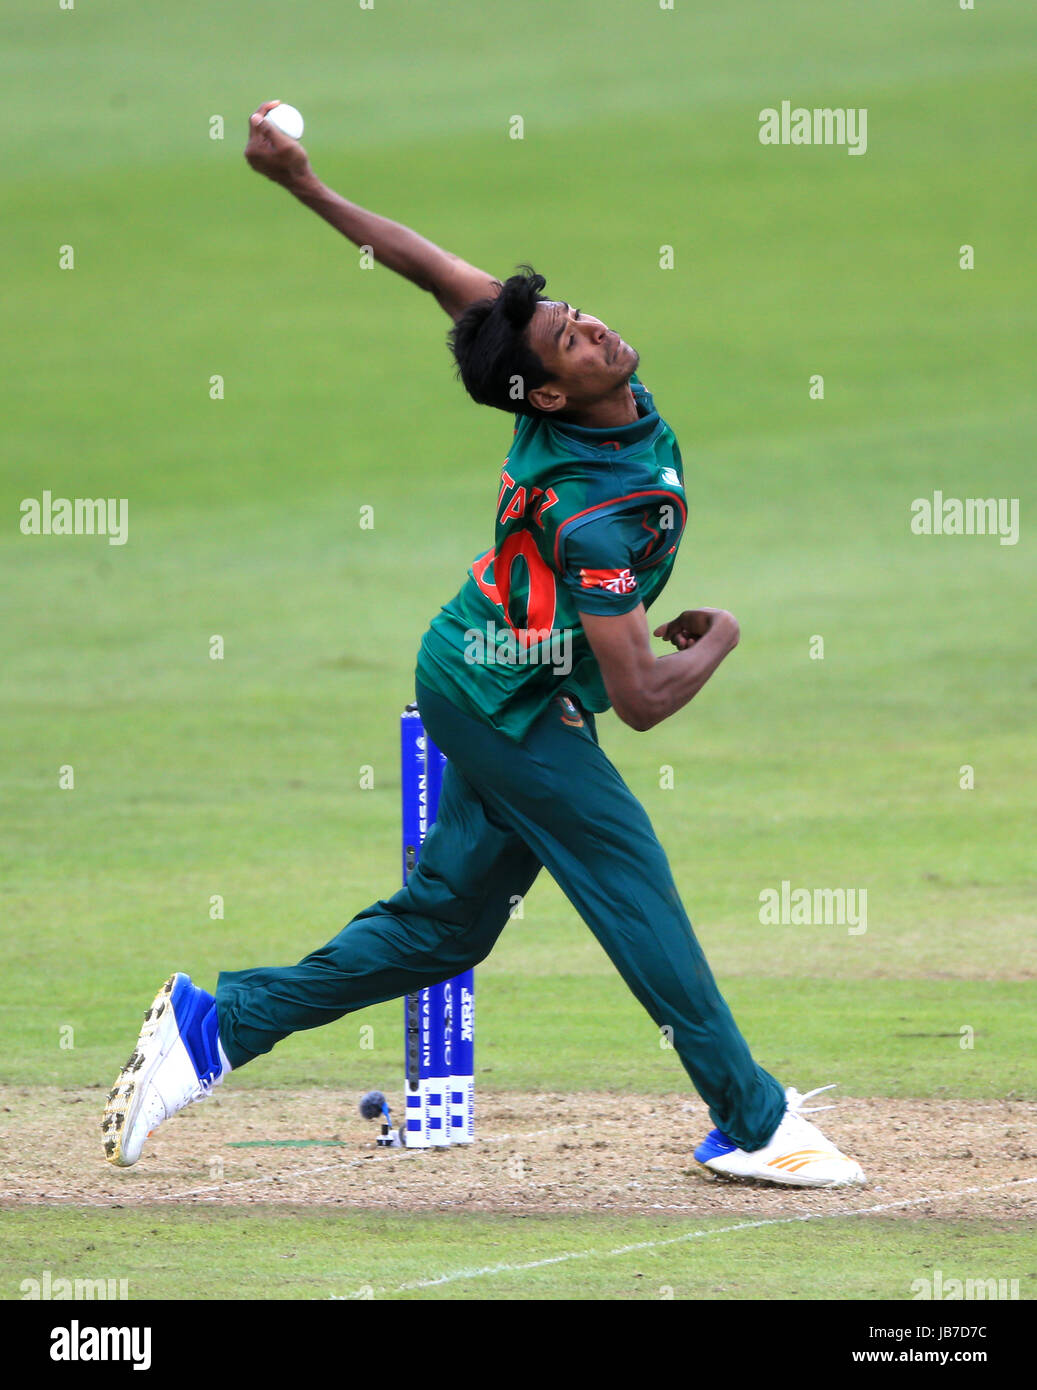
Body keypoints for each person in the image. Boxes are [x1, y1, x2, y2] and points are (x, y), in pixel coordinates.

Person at [102, 102, 865, 1189]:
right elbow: (640, 696)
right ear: (548, 395)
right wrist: (725, 635)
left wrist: (300, 182)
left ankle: (216, 1026)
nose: (592, 329)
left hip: (478, 666)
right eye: (569, 338)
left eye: (580, 313)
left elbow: (425, 268)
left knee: (444, 927)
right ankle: (749, 1116)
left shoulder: (533, 362)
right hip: (509, 697)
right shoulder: (594, 510)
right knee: (627, 877)